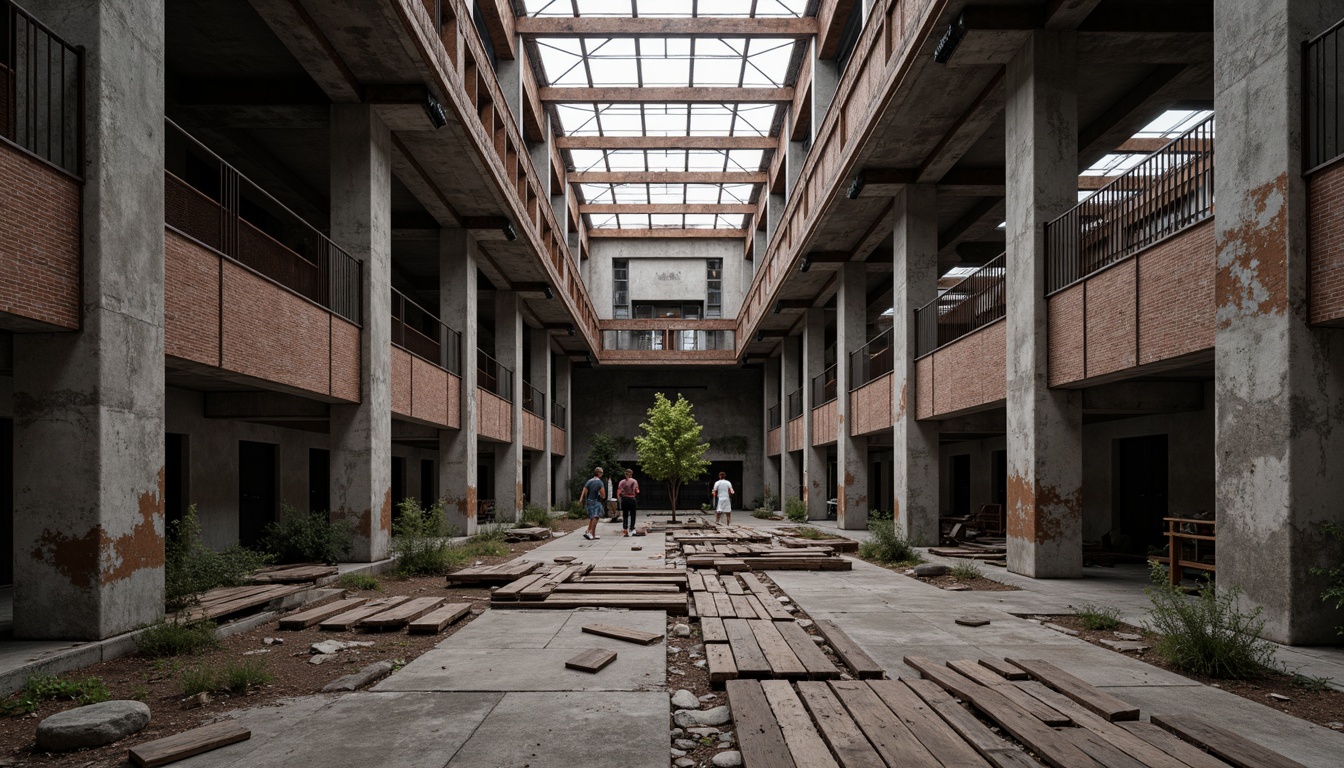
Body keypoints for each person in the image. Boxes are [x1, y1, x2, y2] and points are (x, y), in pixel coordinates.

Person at [578, 466, 605, 540]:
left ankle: (591, 533)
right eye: (601, 473)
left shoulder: (589, 481)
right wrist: (602, 496)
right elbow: (603, 495)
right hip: (596, 501)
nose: (602, 474)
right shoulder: (600, 482)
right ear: (599, 473)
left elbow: (584, 489)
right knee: (595, 517)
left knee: (592, 517)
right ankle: (590, 532)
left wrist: (581, 499)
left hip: (589, 501)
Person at [617, 468, 640, 536]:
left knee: (625, 515)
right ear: (631, 474)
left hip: (624, 499)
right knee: (633, 514)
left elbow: (619, 491)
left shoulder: (622, 482)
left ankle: (625, 528)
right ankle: (632, 528)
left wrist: (619, 498)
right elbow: (637, 491)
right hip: (632, 499)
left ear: (625, 474)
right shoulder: (634, 481)